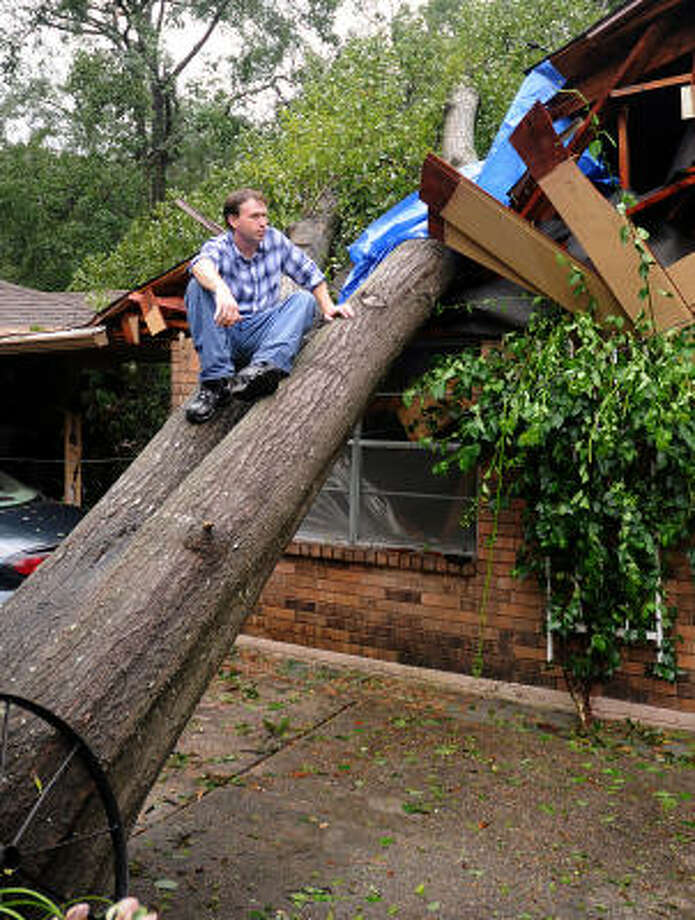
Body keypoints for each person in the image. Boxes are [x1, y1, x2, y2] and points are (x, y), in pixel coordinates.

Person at [184, 188, 353, 424]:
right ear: (234, 221)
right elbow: (200, 264)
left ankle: (263, 369)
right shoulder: (220, 246)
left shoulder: (275, 241)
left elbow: (310, 274)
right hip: (226, 334)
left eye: (265, 216)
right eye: (255, 217)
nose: (263, 223)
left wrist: (328, 306)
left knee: (303, 300)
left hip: (261, 335)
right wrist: (221, 290)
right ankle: (215, 385)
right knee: (196, 286)